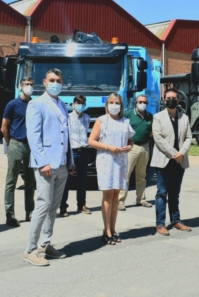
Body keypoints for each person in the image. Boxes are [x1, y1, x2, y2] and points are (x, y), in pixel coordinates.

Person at [23, 68, 74, 266]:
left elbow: (65, 136)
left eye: (58, 80)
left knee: (53, 206)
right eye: (52, 80)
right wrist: (43, 161)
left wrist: (70, 161)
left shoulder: (61, 104)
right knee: (43, 204)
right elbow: (34, 137)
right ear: (44, 82)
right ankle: (30, 249)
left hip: (61, 164)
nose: (55, 83)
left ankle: (45, 244)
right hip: (46, 164)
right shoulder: (37, 104)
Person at [88, 93, 134, 245]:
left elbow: (130, 140)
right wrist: (109, 146)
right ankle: (107, 230)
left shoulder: (125, 121)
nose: (114, 105)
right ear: (107, 104)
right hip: (106, 160)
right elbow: (91, 141)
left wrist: (130, 146)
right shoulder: (102, 120)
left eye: (117, 102)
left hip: (120, 161)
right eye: (112, 102)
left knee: (116, 195)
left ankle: (113, 228)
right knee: (108, 195)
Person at [151, 89, 192, 236]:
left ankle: (176, 220)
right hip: (165, 160)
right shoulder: (157, 117)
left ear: (178, 100)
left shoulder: (184, 118)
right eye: (168, 98)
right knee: (162, 193)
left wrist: (181, 153)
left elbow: (188, 137)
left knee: (175, 193)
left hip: (179, 161)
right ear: (164, 100)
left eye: (173, 98)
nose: (171, 100)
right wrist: (174, 153)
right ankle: (160, 224)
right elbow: (158, 139)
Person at [1, 77, 36, 227]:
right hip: (16, 143)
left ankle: (30, 212)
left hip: (31, 146)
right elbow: (4, 127)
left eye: (31, 85)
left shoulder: (34, 104)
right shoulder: (13, 104)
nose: (29, 87)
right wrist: (11, 144)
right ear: (21, 86)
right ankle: (10, 215)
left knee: (30, 181)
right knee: (11, 181)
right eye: (27, 84)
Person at [118, 94, 153, 211]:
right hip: (131, 148)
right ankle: (120, 201)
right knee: (126, 175)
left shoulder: (150, 117)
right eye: (140, 102)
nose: (142, 104)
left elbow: (151, 131)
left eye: (145, 102)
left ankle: (141, 199)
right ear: (136, 103)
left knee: (142, 175)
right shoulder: (128, 115)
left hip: (145, 148)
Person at [59, 94, 91, 217]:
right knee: (67, 180)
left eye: (83, 104)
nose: (81, 106)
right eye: (78, 103)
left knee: (82, 180)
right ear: (73, 104)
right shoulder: (67, 117)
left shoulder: (87, 117)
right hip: (71, 152)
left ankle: (81, 204)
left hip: (84, 151)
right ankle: (63, 206)